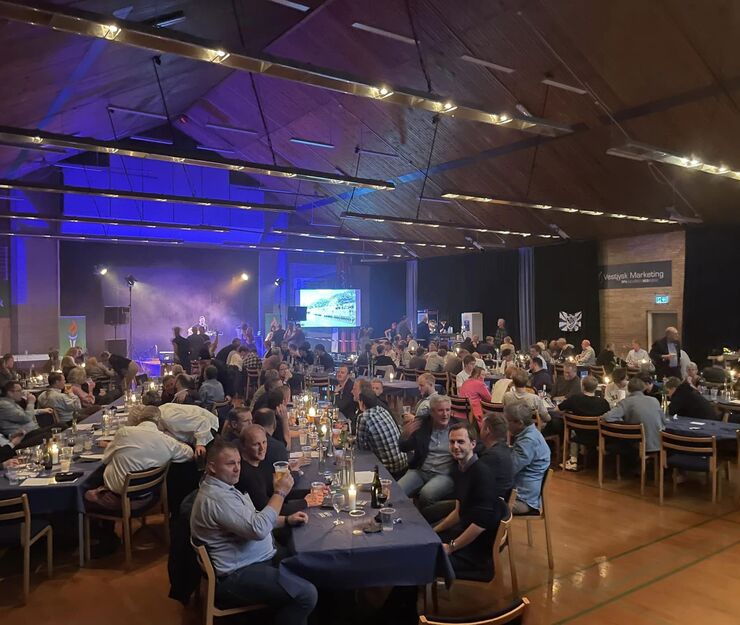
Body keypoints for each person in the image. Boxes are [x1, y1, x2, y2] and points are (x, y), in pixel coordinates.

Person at [190, 441, 316, 625]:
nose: (237, 469)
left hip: (255, 559)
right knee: (306, 594)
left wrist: (286, 520)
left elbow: (253, 519)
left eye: (238, 463)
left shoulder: (222, 488)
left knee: (308, 563)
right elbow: (258, 529)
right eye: (230, 464)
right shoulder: (217, 499)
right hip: (237, 574)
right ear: (212, 467)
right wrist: (280, 493)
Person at [85, 405, 194, 511]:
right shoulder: (168, 441)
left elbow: (105, 459)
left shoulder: (124, 432)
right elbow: (190, 454)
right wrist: (175, 439)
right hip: (148, 496)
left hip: (118, 497)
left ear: (139, 418)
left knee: (84, 493)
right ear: (159, 422)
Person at [433, 423, 504, 580]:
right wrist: (435, 530)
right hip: (464, 535)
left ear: (473, 444)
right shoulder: (460, 469)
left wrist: (451, 547)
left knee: (420, 557)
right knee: (422, 541)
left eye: (460, 442)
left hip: (476, 552)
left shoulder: (482, 474)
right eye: (452, 442)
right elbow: (458, 512)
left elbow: (480, 525)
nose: (455, 446)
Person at [398, 394, 455, 507]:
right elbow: (403, 448)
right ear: (432, 412)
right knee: (397, 490)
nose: (445, 414)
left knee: (426, 494)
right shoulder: (423, 425)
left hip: (444, 474)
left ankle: (425, 516)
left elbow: (475, 446)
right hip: (421, 471)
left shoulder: (457, 427)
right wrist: (405, 435)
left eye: (448, 410)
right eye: (440, 410)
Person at [505, 401, 551, 515]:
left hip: (521, 500)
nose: (505, 424)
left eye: (507, 421)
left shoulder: (528, 441)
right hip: (521, 494)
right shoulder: (531, 433)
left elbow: (508, 471)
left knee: (479, 505)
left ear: (520, 423)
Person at [558, 376, 610, 471]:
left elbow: (557, 409)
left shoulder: (574, 399)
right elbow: (608, 417)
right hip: (597, 436)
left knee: (572, 428)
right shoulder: (603, 403)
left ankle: (573, 460)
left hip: (578, 435)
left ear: (582, 386)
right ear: (596, 388)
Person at [355, 389, 408, 479]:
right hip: (403, 464)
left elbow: (361, 448)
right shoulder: (382, 410)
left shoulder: (363, 417)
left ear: (362, 403)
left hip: (388, 470)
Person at [604, 377, 665, 452]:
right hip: (658, 444)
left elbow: (607, 417)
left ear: (628, 389)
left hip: (637, 446)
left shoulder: (626, 402)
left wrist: (621, 421)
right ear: (643, 388)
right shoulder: (654, 400)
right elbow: (663, 421)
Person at [478, 413, 513, 501]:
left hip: (490, 504)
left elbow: (473, 480)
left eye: (482, 427)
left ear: (487, 431)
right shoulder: (505, 449)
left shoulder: (492, 457)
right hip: (498, 500)